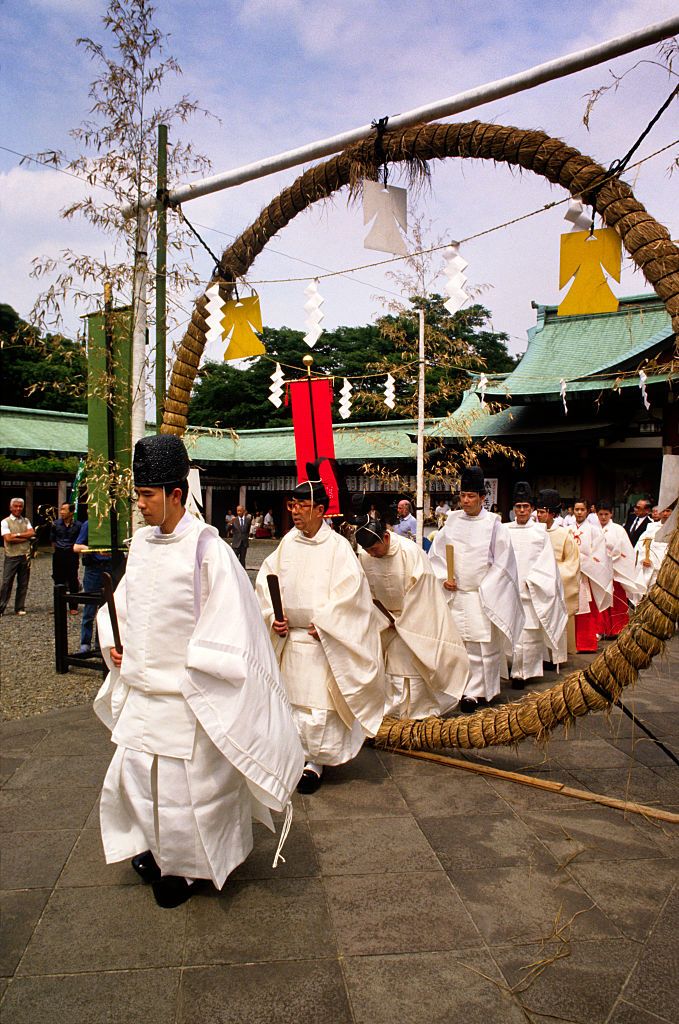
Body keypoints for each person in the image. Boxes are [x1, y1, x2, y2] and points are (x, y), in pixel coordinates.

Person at [95, 435, 304, 909]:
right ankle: (152, 847)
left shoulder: (208, 550)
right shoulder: (144, 545)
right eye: (138, 494)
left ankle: (189, 869)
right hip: (144, 691)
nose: (141, 505)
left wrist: (193, 667)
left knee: (187, 794)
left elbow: (232, 625)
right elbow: (124, 606)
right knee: (134, 778)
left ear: (174, 493)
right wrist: (116, 644)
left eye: (148, 495)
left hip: (187, 696)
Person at [255, 462, 385, 795]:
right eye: (292, 505)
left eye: (302, 506)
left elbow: (352, 595)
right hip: (290, 638)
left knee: (317, 709)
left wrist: (327, 622)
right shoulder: (287, 543)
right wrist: (273, 616)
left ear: (320, 510)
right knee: (290, 705)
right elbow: (266, 582)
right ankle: (295, 756)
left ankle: (316, 761)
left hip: (322, 640)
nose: (295, 512)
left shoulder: (338, 548)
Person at [428, 465, 524, 713]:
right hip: (456, 592)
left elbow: (504, 563)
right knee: (458, 644)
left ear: (483, 497)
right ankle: (459, 687)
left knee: (482, 646)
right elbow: (437, 554)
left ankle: (479, 691)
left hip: (482, 593)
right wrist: (442, 578)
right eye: (463, 495)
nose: (466, 501)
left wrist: (488, 588)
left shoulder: (494, 525)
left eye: (472, 496)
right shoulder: (451, 520)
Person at [355, 516, 469, 718]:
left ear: (386, 538)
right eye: (368, 551)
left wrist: (403, 621)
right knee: (390, 668)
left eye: (374, 549)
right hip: (385, 621)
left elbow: (422, 591)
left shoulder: (409, 551)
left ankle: (419, 712)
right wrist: (383, 618)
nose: (371, 554)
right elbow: (366, 591)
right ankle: (393, 714)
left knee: (414, 665)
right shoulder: (365, 556)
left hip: (414, 618)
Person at [505, 483, 567, 689]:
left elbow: (547, 563)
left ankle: (523, 672)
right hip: (508, 592)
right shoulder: (504, 530)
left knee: (528, 634)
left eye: (525, 506)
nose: (522, 510)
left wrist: (533, 581)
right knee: (509, 633)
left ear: (531, 508)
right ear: (513, 509)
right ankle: (508, 667)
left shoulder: (540, 532)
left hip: (530, 590)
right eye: (518, 506)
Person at [536, 489, 581, 668]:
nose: (538, 515)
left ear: (552, 513)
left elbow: (572, 563)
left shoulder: (564, 534)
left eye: (542, 512)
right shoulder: (533, 532)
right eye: (538, 511)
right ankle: (538, 656)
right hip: (536, 584)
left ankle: (555, 656)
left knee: (555, 622)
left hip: (556, 583)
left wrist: (551, 575)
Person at [568, 500, 613, 653]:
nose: (579, 512)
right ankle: (571, 643)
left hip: (586, 575)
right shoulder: (567, 530)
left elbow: (599, 554)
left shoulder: (594, 530)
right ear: (573, 511)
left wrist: (583, 562)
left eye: (582, 509)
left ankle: (586, 643)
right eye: (576, 509)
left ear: (587, 511)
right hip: (569, 574)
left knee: (587, 610)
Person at [596, 500, 645, 637]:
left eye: (606, 514)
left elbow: (626, 551)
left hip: (615, 569)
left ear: (611, 514)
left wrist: (613, 557)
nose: (603, 517)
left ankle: (618, 628)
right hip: (598, 569)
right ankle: (601, 629)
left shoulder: (618, 529)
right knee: (600, 599)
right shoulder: (592, 528)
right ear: (596, 514)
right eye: (601, 514)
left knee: (617, 599)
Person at [73, 520, 113, 653]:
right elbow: (77, 546)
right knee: (89, 609)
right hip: (94, 569)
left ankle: (101, 643)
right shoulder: (89, 524)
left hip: (111, 568)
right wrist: (94, 550)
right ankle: (85, 643)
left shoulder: (115, 523)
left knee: (106, 610)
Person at [0, 497, 35, 617]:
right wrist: (25, 537)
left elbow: (32, 533)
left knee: (23, 583)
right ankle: (1, 607)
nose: (18, 508)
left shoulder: (26, 521)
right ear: (10, 507)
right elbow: (8, 539)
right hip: (11, 556)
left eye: (20, 506)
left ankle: (19, 607)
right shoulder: (5, 522)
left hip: (25, 555)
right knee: (6, 582)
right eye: (15, 506)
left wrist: (17, 535)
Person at [51, 501, 82, 614]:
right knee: (58, 580)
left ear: (71, 512)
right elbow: (53, 540)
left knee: (73, 579)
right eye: (61, 509)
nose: (61, 512)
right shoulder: (55, 524)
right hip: (59, 553)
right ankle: (59, 606)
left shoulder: (78, 525)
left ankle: (73, 606)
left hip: (72, 554)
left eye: (64, 509)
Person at [635, 507, 671, 594]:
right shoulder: (651, 528)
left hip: (669, 569)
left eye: (668, 511)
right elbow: (640, 546)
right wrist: (644, 558)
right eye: (663, 511)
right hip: (650, 568)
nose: (665, 514)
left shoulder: (676, 530)